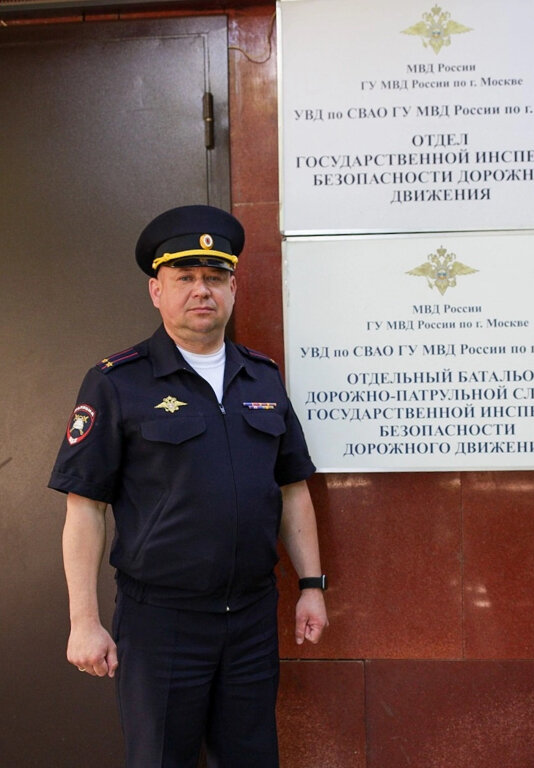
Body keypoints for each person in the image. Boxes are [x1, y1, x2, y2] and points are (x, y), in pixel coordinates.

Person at [49, 204, 328, 768]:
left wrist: (312, 584)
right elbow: (85, 508)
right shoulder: (117, 382)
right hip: (161, 624)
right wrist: (84, 621)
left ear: (233, 288)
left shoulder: (262, 377)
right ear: (157, 291)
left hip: (251, 616)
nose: (202, 291)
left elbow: (292, 489)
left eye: (215, 277)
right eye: (185, 278)